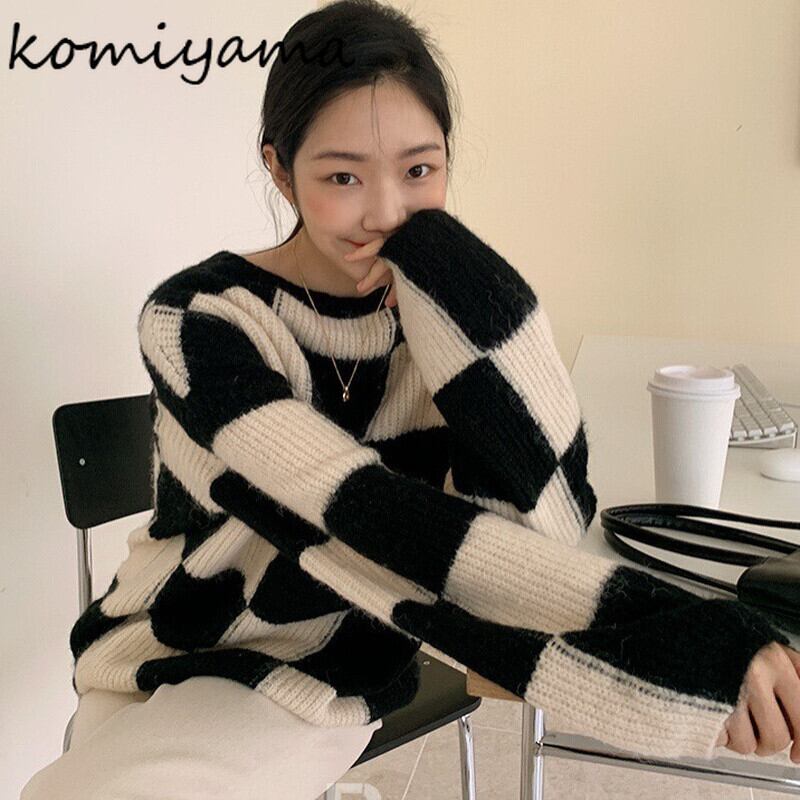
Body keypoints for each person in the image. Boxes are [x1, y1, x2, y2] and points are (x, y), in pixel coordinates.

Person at [20, 1, 800, 797]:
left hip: (316, 669)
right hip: (153, 654)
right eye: (343, 177)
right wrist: (679, 635)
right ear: (280, 171)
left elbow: (548, 518)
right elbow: (355, 511)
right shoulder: (200, 320)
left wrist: (458, 275)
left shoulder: (444, 323)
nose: (387, 213)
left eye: (420, 171)